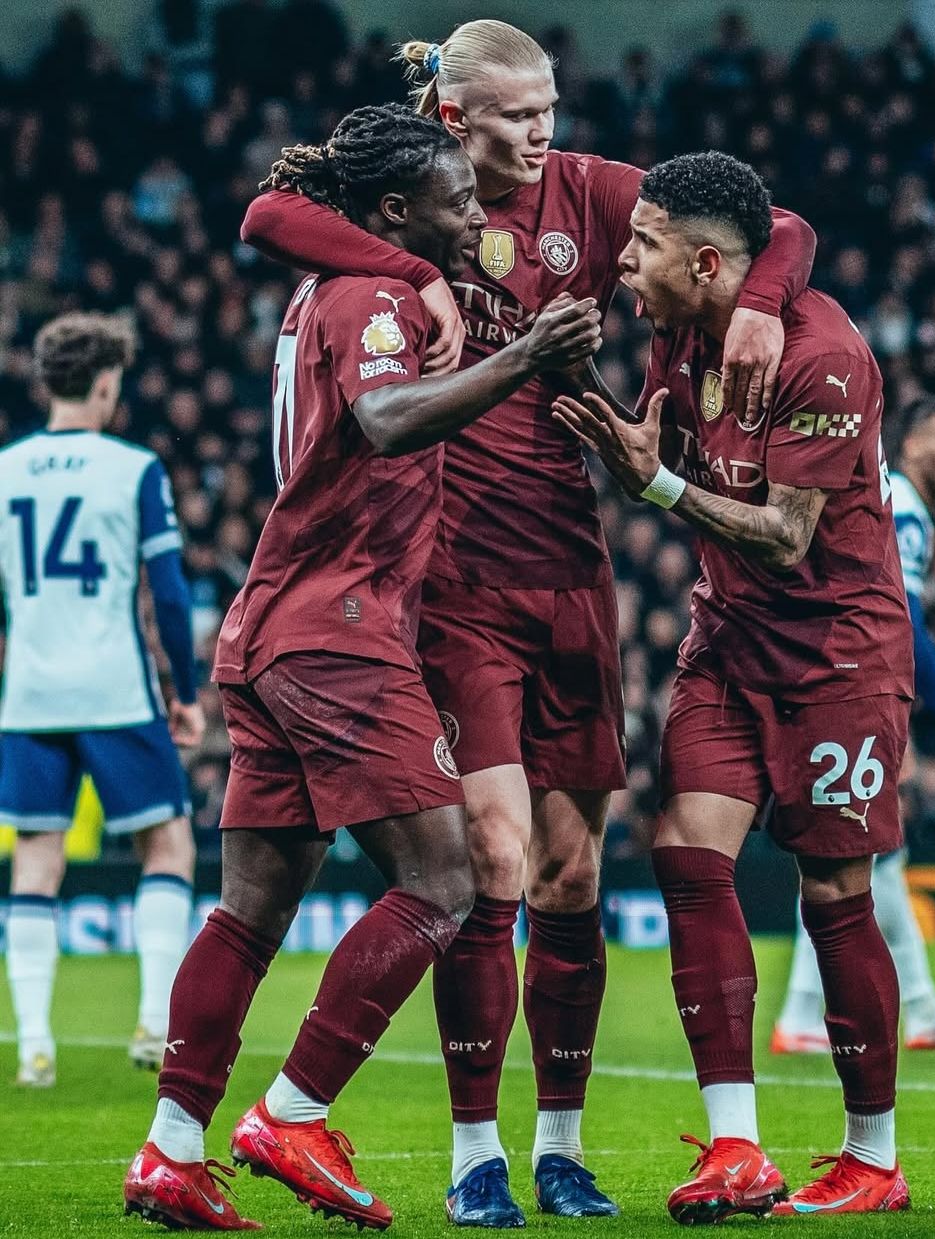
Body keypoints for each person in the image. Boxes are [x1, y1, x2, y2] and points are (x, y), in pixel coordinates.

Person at [238, 20, 817, 1224]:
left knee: (569, 870)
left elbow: (780, 225)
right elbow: (269, 215)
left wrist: (762, 303)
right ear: (456, 119)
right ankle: (473, 1155)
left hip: (569, 566)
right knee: (493, 857)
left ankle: (559, 1147)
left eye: (550, 105)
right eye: (518, 113)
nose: (545, 129)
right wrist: (416, 278)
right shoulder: (414, 204)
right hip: (453, 581)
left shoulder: (590, 194)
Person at [122, 103, 602, 1233]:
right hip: (338, 632)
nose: (476, 217)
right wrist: (525, 356)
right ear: (394, 211)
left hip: (272, 624)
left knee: (250, 911)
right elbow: (386, 420)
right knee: (443, 881)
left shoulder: (321, 291)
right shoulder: (374, 297)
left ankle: (171, 1150)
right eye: (455, 201)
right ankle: (294, 1111)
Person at [554, 150, 913, 1219]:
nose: (624, 262)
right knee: (684, 853)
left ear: (706, 264)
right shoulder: (684, 328)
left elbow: (790, 537)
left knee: (833, 894)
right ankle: (737, 1147)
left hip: (838, 653)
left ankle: (873, 1158)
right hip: (727, 640)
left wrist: (659, 483)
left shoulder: (825, 359)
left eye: (645, 246)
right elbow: (777, 228)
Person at [0, 311, 201, 1087]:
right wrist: (185, 692)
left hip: (31, 697)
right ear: (108, 384)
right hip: (116, 691)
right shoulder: (133, 469)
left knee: (36, 861)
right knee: (169, 846)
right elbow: (170, 594)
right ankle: (153, 1020)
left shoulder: (7, 469)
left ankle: (34, 1044)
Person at [772, 397, 935, 1055]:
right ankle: (916, 1007)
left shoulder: (892, 499)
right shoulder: (906, 509)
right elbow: (906, 624)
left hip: (826, 676)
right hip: (844, 683)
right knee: (861, 848)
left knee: (848, 849)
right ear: (914, 444)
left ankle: (816, 1013)